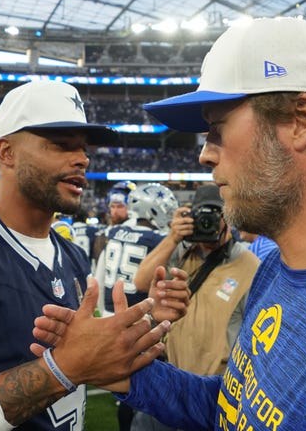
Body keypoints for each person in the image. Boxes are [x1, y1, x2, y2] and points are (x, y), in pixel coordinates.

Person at [34, 18, 306, 430]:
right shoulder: (278, 266)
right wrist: (122, 370)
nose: (205, 155)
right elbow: (235, 408)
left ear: (301, 120)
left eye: (217, 130)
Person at [0, 80, 188, 431]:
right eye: (61, 145)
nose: (82, 158)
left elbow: (88, 352)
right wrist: (62, 369)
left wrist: (145, 317)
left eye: (82, 148)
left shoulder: (71, 254)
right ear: (7, 152)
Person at [131, 183, 259, 431]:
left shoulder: (251, 266)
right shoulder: (180, 252)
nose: (208, 222)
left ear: (228, 218)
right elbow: (140, 282)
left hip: (213, 391)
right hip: (170, 380)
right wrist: (173, 237)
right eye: (202, 215)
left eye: (214, 215)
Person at [95, 182, 178, 431]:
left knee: (124, 384)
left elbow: (99, 273)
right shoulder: (158, 239)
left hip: (111, 313)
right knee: (142, 388)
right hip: (139, 317)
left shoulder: (114, 232)